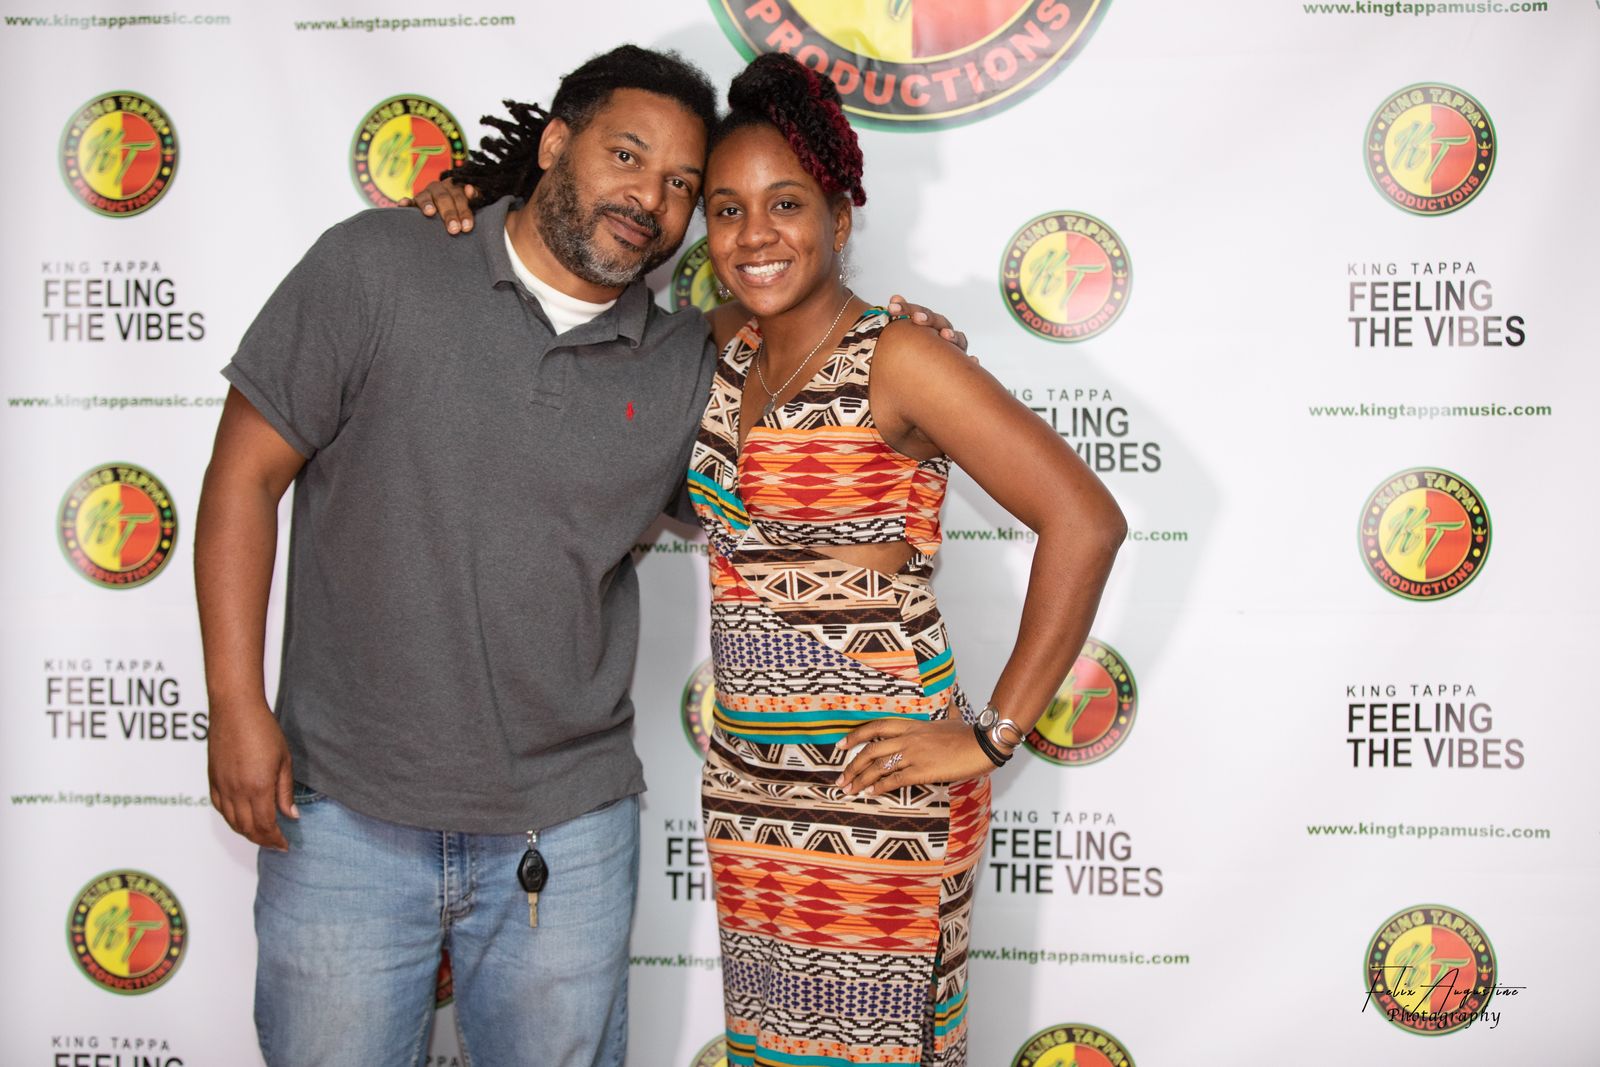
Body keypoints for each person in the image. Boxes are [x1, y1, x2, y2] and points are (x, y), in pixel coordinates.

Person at [417, 53, 1125, 1067]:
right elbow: (560, 287)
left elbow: (1084, 520)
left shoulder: (899, 356)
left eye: (785, 204)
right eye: (726, 209)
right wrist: (476, 198)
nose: (755, 234)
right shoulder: (716, 346)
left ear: (839, 216)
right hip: (750, 784)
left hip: (880, 782)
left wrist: (991, 734)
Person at [196, 46, 720, 1067]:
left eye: (680, 185)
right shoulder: (377, 266)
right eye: (626, 155)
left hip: (567, 830)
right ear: (556, 143)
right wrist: (235, 704)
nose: (649, 199)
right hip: (343, 812)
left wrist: (890, 339)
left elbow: (813, 387)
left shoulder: (682, 363)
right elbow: (241, 480)